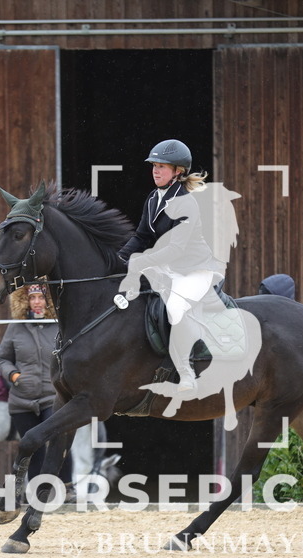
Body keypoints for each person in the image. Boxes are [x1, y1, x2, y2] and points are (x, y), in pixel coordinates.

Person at [118, 139, 214, 393]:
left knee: (175, 307)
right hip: (170, 269)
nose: (155, 171)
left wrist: (140, 262)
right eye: (154, 166)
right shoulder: (153, 198)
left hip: (195, 270)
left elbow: (176, 249)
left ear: (178, 171)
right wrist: (118, 260)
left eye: (161, 166)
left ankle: (186, 371)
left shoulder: (186, 203)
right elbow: (141, 237)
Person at [0, 283, 71, 496]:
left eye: (41, 297)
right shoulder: (16, 327)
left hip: (52, 397)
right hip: (21, 400)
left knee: (58, 438)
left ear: (49, 300)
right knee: (32, 448)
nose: (36, 302)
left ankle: (67, 488)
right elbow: (2, 358)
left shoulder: (60, 326)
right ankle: (37, 493)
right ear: (25, 301)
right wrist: (14, 375)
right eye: (32, 297)